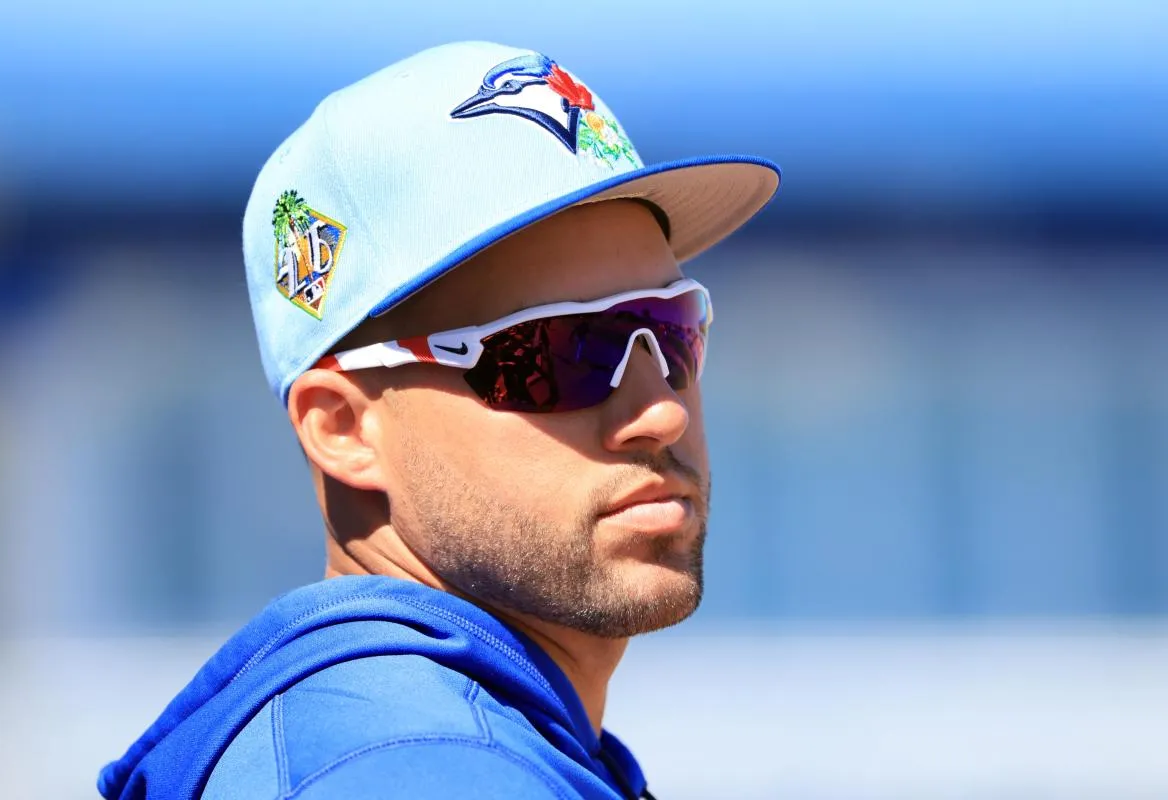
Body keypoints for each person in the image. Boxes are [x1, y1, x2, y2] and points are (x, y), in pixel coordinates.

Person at [98, 41, 779, 800]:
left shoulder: (397, 743)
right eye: (555, 351)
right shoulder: (419, 771)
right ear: (344, 429)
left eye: (673, 329)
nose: (658, 411)